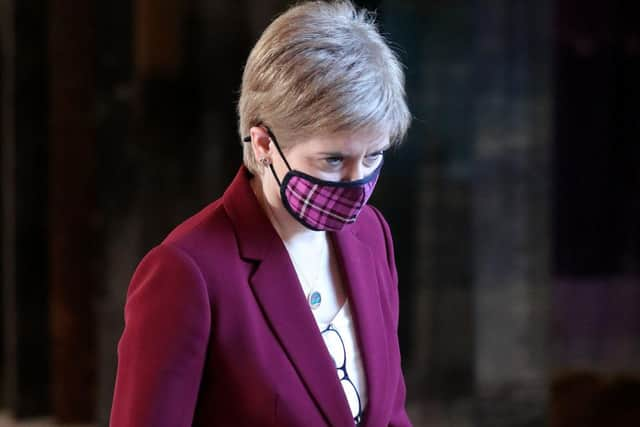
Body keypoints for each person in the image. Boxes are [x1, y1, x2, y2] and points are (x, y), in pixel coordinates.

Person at [109, 1, 412, 426]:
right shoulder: (187, 272)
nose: (357, 182)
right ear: (264, 143)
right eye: (331, 160)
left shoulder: (372, 235)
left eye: (372, 156)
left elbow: (390, 412)